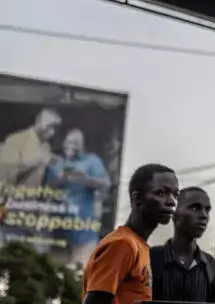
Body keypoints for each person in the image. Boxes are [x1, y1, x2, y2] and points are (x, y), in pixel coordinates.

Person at [82, 164, 178, 304]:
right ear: (137, 198)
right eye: (161, 193)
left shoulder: (141, 247)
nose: (172, 202)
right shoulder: (122, 244)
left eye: (175, 194)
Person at [44, 128, 111, 264]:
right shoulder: (56, 162)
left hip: (84, 226)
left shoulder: (92, 161)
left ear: (82, 145)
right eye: (68, 142)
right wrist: (59, 179)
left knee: (81, 270)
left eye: (75, 143)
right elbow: (46, 189)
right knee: (54, 268)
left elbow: (106, 183)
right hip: (59, 226)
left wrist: (86, 179)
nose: (70, 145)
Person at [151, 186, 215, 302]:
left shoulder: (214, 269)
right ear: (174, 213)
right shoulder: (149, 260)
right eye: (195, 208)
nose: (204, 215)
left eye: (207, 210)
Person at [0, 108, 61, 187]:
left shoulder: (47, 146)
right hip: (13, 193)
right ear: (38, 121)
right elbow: (6, 176)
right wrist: (38, 160)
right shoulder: (15, 140)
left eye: (55, 128)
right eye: (49, 126)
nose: (52, 132)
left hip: (35, 193)